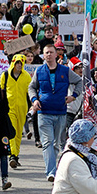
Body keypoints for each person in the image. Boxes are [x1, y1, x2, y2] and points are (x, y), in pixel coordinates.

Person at [28, 43, 74, 182]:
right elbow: (31, 87)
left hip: (60, 112)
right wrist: (34, 100)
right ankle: (51, 172)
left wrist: (74, 96)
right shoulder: (40, 71)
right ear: (43, 55)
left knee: (56, 144)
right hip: (44, 112)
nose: (48, 55)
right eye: (46, 52)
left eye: (51, 52)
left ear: (56, 54)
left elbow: (79, 82)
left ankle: (53, 167)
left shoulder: (65, 71)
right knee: (47, 142)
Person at [1, 54, 30, 168]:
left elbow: (30, 92)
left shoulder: (26, 76)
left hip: (22, 107)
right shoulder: (6, 75)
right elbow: (1, 89)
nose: (19, 65)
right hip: (9, 108)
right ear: (13, 63)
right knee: (11, 132)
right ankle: (12, 155)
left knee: (18, 133)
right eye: (17, 63)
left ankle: (15, 156)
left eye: (21, 63)